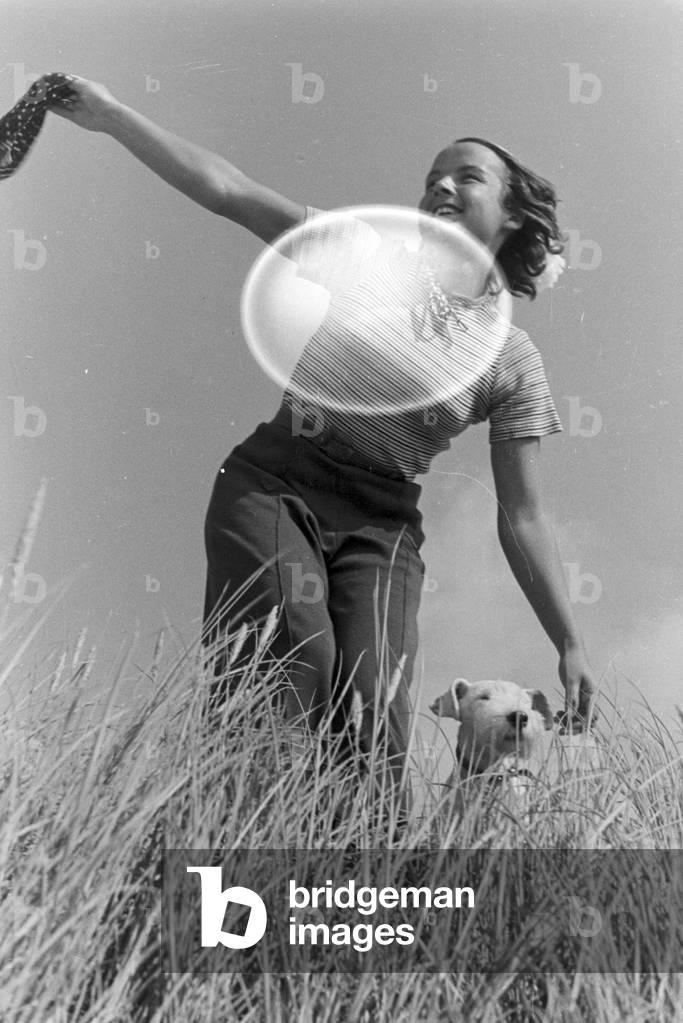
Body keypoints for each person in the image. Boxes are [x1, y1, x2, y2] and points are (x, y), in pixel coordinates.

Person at [50, 76, 598, 806]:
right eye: (431, 173)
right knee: (295, 656)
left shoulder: (510, 358)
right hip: (278, 482)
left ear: (510, 212)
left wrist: (568, 640)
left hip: (383, 528)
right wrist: (114, 117)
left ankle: (360, 889)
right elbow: (227, 190)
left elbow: (522, 514)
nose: (440, 182)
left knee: (374, 712)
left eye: (466, 175)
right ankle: (237, 851)